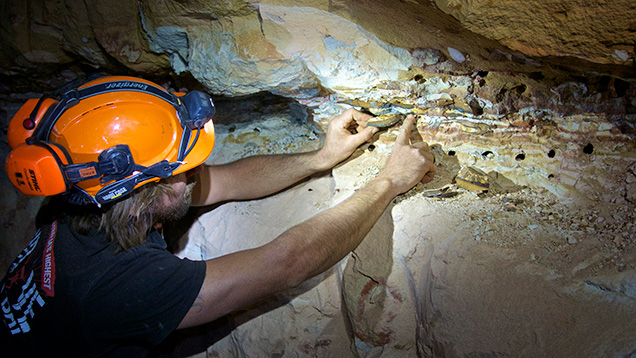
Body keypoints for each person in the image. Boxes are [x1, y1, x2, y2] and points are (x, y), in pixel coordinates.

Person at [1, 76, 435, 357]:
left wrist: (321, 159)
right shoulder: (123, 283)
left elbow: (226, 181)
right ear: (141, 190)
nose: (193, 176)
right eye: (181, 170)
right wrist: (389, 182)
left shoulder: (82, 194)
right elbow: (286, 263)